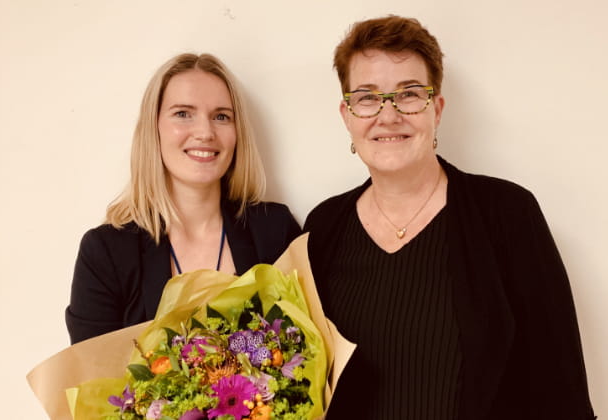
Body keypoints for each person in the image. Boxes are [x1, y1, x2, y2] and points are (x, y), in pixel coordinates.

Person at [303, 15, 595, 420]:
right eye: (367, 97)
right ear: (347, 114)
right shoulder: (323, 228)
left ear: (436, 109)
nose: (388, 115)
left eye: (409, 94)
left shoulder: (508, 214)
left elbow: (560, 388)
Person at [66, 53, 301, 344]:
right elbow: (91, 368)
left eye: (221, 116)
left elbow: (305, 347)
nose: (205, 132)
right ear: (154, 128)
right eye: (183, 114)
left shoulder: (275, 230)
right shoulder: (106, 253)